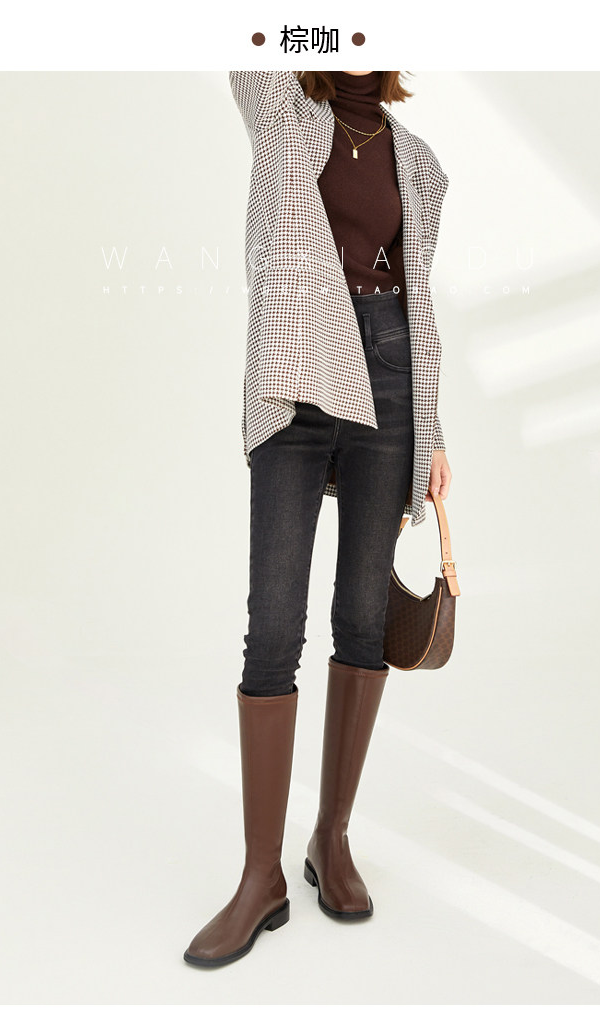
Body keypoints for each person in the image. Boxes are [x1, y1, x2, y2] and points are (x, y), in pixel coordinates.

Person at [183, 70, 452, 968]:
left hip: (391, 373)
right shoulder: (283, 106)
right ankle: (259, 875)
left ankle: (330, 838)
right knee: (273, 624)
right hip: (296, 376)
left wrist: (432, 431)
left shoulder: (418, 162)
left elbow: (419, 304)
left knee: (363, 618)